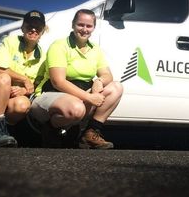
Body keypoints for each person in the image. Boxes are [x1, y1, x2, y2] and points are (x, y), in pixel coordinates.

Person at [31, 9, 123, 149]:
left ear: (93, 27)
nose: (84, 29)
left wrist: (99, 81)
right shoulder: (59, 45)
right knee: (76, 108)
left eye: (89, 26)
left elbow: (107, 75)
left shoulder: (95, 49)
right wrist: (89, 97)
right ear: (73, 25)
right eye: (80, 25)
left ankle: (90, 134)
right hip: (51, 94)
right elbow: (58, 81)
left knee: (116, 87)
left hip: (79, 96)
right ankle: (50, 128)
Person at [0, 10, 47, 147]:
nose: (34, 30)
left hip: (12, 97)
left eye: (38, 27)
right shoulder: (10, 42)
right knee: (3, 79)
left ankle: (2, 133)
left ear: (43, 31)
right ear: (23, 27)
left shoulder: (43, 57)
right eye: (30, 26)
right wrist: (24, 79)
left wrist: (24, 91)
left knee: (23, 105)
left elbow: (37, 85)